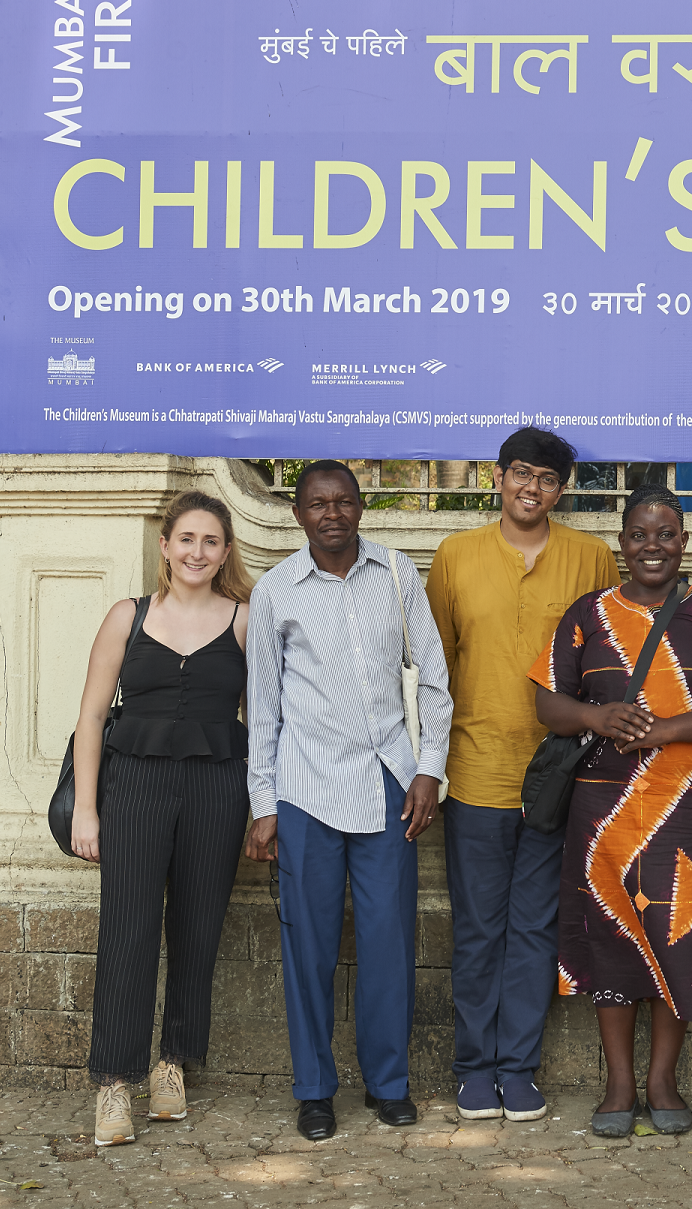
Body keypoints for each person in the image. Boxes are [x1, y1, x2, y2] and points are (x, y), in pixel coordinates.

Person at [530, 484, 692, 1138]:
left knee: (682, 940)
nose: (653, 546)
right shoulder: (587, 612)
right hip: (604, 808)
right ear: (622, 544)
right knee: (609, 938)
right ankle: (617, 1085)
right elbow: (548, 703)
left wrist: (664, 731)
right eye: (640, 534)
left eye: (665, 534)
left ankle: (662, 1081)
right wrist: (596, 714)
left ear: (683, 543)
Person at [244, 460, 454, 1142]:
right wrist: (264, 803)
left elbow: (432, 679)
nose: (331, 515)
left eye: (343, 502)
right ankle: (313, 1089)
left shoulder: (397, 574)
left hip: (389, 786)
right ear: (300, 513)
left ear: (361, 507)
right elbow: (265, 707)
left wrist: (429, 770)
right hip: (306, 790)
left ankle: (387, 1084)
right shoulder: (277, 590)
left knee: (389, 943)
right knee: (308, 948)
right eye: (316, 504)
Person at [424, 427, 620, 1123]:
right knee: (477, 929)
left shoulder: (592, 558)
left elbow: (606, 665)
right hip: (473, 772)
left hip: (557, 780)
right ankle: (474, 1068)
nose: (530, 488)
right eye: (519, 473)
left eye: (545, 478)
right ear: (498, 477)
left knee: (537, 929)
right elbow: (436, 668)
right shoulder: (454, 557)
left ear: (561, 489)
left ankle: (518, 1068)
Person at [71, 490, 253, 1148]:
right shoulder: (128, 615)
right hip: (134, 788)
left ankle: (173, 1064)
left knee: (198, 929)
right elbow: (91, 718)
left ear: (225, 551)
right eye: (187, 540)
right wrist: (87, 810)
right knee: (127, 930)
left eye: (210, 542)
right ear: (165, 547)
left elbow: (262, 724)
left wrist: (263, 810)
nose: (197, 552)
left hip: (217, 788)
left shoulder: (243, 621)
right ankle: (113, 1082)